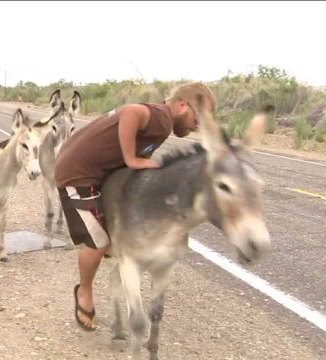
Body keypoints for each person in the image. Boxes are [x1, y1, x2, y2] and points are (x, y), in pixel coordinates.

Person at [54, 82, 216, 331]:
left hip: (96, 172)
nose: (199, 125)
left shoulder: (162, 123)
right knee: (98, 242)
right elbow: (130, 112)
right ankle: (84, 291)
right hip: (78, 175)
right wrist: (132, 158)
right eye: (199, 117)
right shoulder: (161, 118)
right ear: (182, 106)